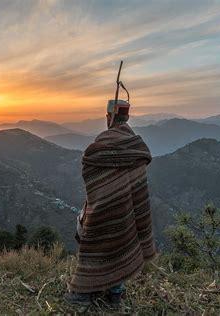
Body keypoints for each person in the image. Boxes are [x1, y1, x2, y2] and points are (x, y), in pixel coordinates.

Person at [65, 99, 156, 308]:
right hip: (128, 217)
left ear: (108, 118)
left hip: (99, 214)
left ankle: (83, 293)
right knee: (123, 231)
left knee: (88, 227)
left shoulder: (96, 150)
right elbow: (139, 194)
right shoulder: (137, 149)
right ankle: (115, 292)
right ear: (128, 117)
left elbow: (92, 183)